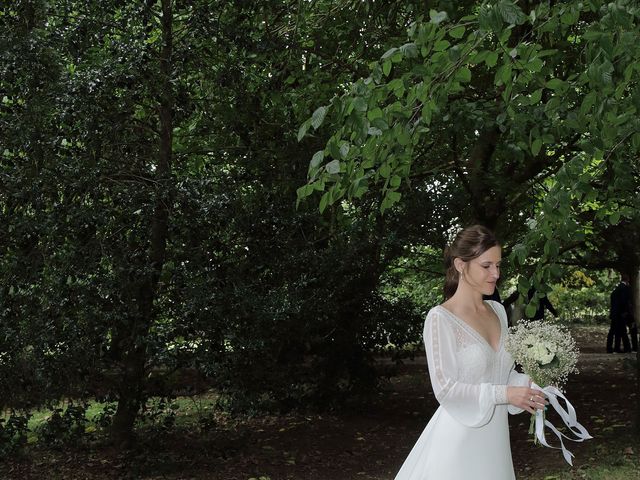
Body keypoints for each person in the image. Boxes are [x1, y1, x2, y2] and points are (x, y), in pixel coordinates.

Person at [394, 225, 547, 480]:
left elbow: (500, 374)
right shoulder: (440, 318)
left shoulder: (498, 311)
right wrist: (504, 393)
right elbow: (445, 388)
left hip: (495, 442)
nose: (496, 274)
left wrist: (530, 384)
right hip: (458, 441)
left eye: (498, 265)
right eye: (486, 266)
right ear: (460, 265)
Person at [606, 273, 632, 353]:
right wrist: (625, 312)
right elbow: (624, 301)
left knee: (614, 331)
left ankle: (611, 348)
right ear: (627, 280)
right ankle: (625, 348)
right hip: (620, 314)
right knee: (621, 331)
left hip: (614, 313)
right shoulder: (625, 289)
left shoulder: (616, 289)